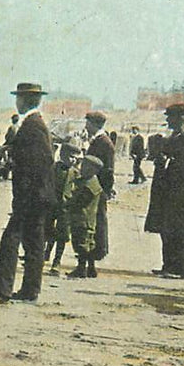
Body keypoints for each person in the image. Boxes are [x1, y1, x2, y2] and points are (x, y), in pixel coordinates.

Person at [0, 82, 56, 303]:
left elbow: (36, 165)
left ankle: (1, 291)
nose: (16, 102)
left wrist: (23, 198)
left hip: (30, 197)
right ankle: (30, 290)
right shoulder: (36, 124)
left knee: (10, 240)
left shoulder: (32, 125)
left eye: (18, 98)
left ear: (24, 100)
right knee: (34, 244)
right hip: (40, 196)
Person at [144, 103, 184, 279]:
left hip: (180, 196)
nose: (168, 120)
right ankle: (169, 266)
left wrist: (170, 163)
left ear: (182, 119)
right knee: (167, 231)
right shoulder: (173, 138)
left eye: (170, 117)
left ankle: (183, 270)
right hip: (168, 195)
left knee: (180, 233)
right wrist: (160, 161)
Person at [66, 155, 104, 279]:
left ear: (93, 170)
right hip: (86, 218)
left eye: (86, 166)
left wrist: (69, 203)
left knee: (81, 243)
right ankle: (91, 268)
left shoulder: (90, 184)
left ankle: (82, 268)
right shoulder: (90, 180)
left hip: (83, 217)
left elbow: (80, 201)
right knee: (89, 243)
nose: (82, 168)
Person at [84, 111, 115, 265]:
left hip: (98, 188)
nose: (85, 125)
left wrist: (105, 190)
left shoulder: (104, 142)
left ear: (94, 124)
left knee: (97, 221)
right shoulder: (98, 140)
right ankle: (93, 255)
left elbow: (109, 170)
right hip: (95, 187)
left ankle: (96, 253)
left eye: (87, 123)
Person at [45, 142, 79, 274]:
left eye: (76, 157)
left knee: (63, 235)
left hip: (66, 208)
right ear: (62, 155)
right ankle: (46, 253)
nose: (74, 160)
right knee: (48, 230)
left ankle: (57, 262)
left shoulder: (75, 172)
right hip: (52, 205)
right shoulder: (53, 169)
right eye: (71, 156)